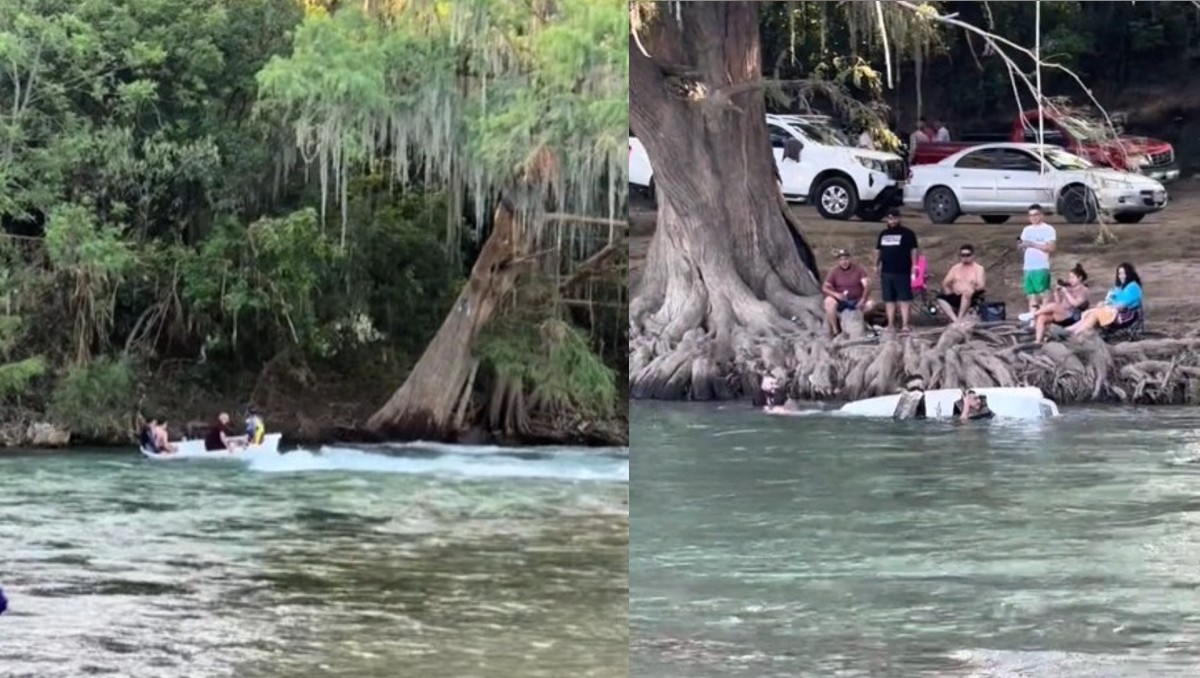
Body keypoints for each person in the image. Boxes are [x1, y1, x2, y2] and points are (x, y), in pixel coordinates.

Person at [873, 208, 920, 334]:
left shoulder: (908, 233)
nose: (892, 221)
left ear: (899, 219)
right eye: (889, 218)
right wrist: (875, 265)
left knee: (904, 299)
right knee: (889, 299)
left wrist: (914, 266)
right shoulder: (883, 234)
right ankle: (890, 324)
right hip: (887, 271)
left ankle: (905, 324)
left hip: (902, 271)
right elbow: (878, 250)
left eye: (894, 218)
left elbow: (914, 250)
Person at [1069, 262, 1143, 337]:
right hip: (1114, 312)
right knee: (1094, 312)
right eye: (1119, 274)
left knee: (1095, 314)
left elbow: (1121, 305)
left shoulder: (1133, 287)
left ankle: (1075, 333)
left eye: (1124, 273)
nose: (1121, 276)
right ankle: (1070, 331)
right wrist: (1103, 305)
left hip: (1126, 316)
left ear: (1129, 274)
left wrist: (1104, 308)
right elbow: (1109, 300)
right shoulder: (1119, 288)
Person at [821, 249, 873, 337]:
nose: (844, 262)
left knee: (870, 304)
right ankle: (835, 330)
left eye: (846, 259)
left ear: (850, 259)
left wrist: (863, 300)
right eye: (841, 260)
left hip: (856, 301)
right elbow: (825, 287)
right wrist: (835, 294)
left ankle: (859, 322)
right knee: (828, 302)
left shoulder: (859, 270)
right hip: (841, 301)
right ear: (838, 261)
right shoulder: (834, 271)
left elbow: (867, 286)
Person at [1033, 263, 1090, 343]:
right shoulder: (1069, 287)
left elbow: (1076, 304)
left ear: (1080, 278)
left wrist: (1066, 293)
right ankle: (1038, 340)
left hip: (1074, 316)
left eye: (1072, 277)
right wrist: (1056, 293)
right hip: (1062, 314)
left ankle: (1032, 314)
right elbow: (1059, 303)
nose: (1070, 280)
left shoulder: (1084, 290)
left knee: (1052, 306)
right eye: (1069, 277)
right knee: (1042, 317)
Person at [1018, 204, 1057, 318]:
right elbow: (1022, 246)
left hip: (1041, 265)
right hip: (1028, 266)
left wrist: (1032, 244)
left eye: (1035, 215)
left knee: (1043, 293)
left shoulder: (1048, 229)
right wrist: (1021, 245)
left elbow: (1051, 247)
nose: (1033, 218)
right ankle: (1033, 317)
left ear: (1041, 215)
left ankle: (1043, 316)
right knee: (1031, 294)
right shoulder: (1026, 230)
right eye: (1030, 215)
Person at [936, 243, 987, 324]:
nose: (965, 257)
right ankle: (955, 319)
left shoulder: (979, 269)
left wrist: (972, 289)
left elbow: (981, 285)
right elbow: (945, 283)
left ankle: (960, 318)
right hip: (957, 295)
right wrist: (949, 292)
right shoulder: (955, 268)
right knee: (940, 298)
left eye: (968, 255)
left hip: (972, 296)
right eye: (963, 255)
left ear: (973, 256)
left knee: (967, 293)